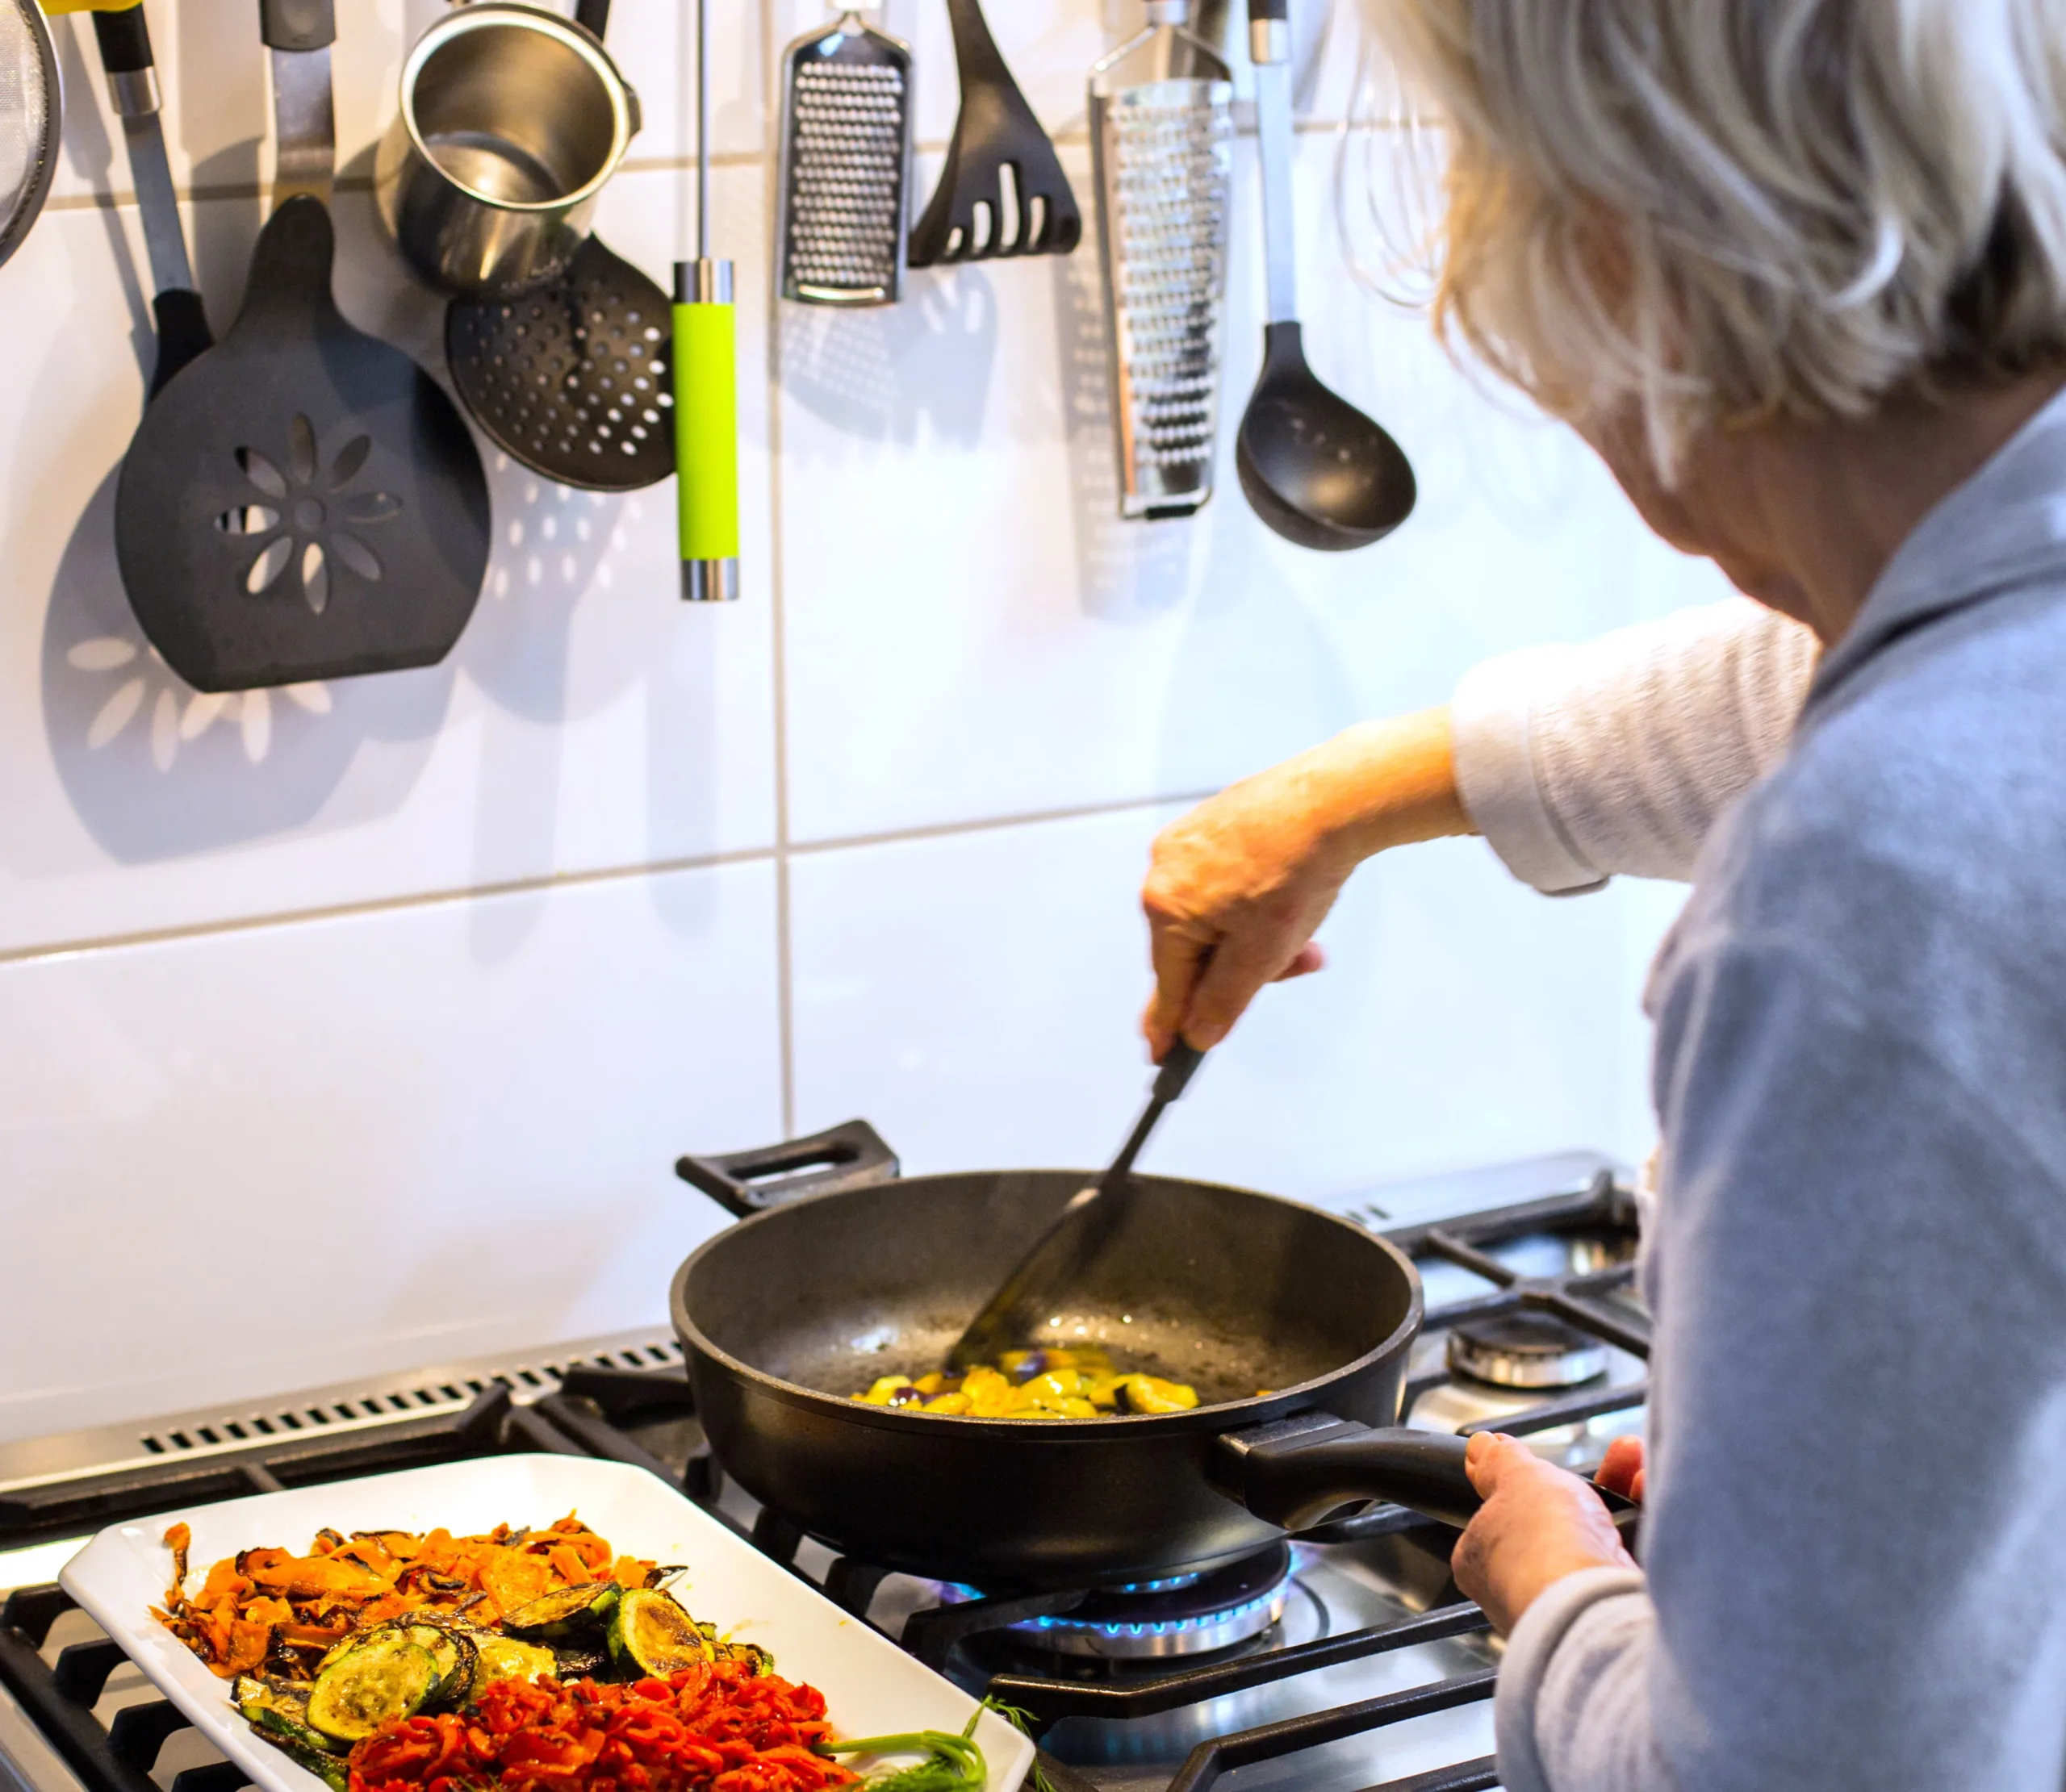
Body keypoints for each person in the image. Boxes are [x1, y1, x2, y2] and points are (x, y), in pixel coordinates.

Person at [1140, 4, 2066, 1786]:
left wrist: (1561, 1597)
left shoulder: (1867, 898)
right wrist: (1346, 799)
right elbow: (1853, 660)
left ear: (1629, 269)